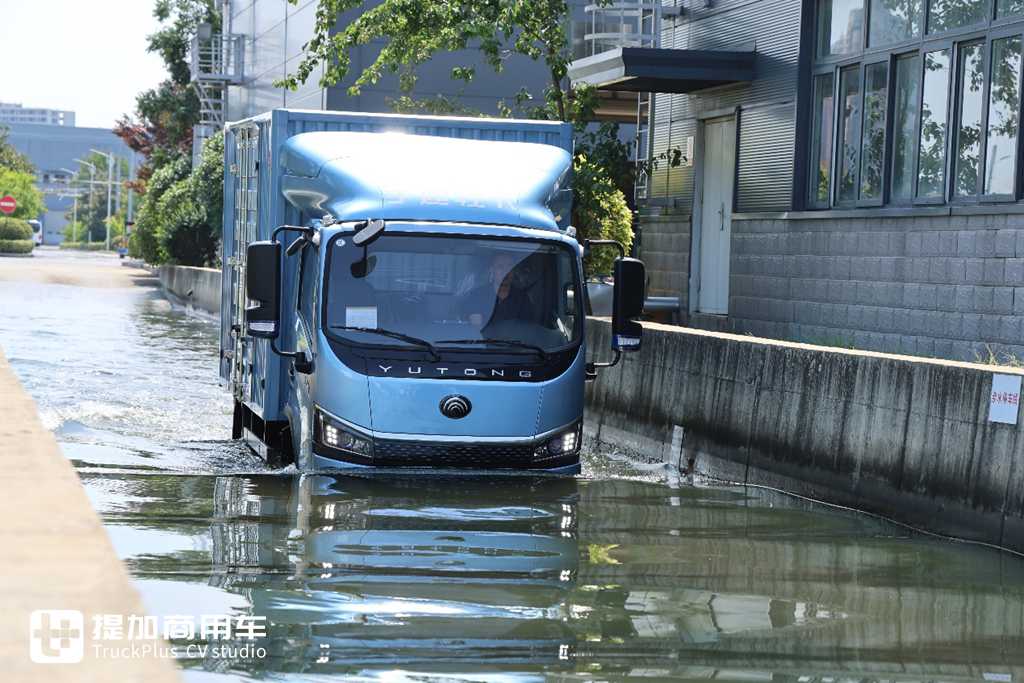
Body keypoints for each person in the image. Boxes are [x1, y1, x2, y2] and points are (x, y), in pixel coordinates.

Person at [462, 252, 533, 328]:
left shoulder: (522, 298)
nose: (506, 271)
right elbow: (477, 329)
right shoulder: (477, 295)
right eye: (500, 267)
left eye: (510, 266)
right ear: (492, 270)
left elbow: (526, 328)